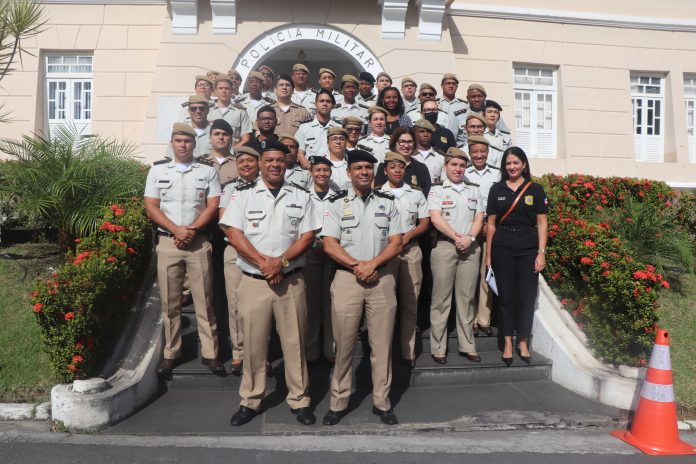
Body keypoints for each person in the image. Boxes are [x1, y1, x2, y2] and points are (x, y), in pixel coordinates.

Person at [220, 141, 320, 427]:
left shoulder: (301, 196)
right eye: (269, 161)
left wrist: (281, 263)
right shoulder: (244, 196)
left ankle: (300, 399)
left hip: (290, 281)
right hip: (254, 281)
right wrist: (265, 263)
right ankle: (250, 399)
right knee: (253, 345)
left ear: (286, 163)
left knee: (295, 343)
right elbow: (234, 234)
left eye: (280, 160)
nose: (275, 165)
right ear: (261, 164)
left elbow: (307, 235)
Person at [321, 149, 403, 426]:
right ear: (349, 172)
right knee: (343, 345)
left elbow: (396, 242)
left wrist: (373, 264)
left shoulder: (388, 202)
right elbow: (329, 244)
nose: (364, 172)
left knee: (382, 345)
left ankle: (382, 402)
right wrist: (358, 266)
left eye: (368, 167)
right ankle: (338, 402)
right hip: (347, 279)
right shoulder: (335, 204)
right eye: (358, 168)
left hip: (382, 278)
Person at [144, 122, 224, 376]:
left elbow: (212, 206)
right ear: (172, 142)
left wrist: (189, 230)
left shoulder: (207, 171)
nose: (183, 145)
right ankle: (171, 352)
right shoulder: (157, 172)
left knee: (205, 301)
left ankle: (210, 353)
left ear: (194, 144)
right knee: (170, 303)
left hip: (198, 243)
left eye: (187, 141)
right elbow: (152, 206)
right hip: (168, 243)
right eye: (178, 141)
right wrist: (176, 230)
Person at [485, 146, 548, 366]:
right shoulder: (496, 189)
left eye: (516, 162)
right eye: (508, 163)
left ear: (523, 164)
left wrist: (541, 253)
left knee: (527, 297)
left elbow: (542, 223)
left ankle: (522, 340)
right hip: (503, 246)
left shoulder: (536, 189)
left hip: (528, 248)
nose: (512, 167)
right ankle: (507, 342)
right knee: (506, 298)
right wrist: (488, 255)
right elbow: (490, 225)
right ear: (504, 166)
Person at [427, 147, 484, 365]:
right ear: (446, 167)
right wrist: (457, 236)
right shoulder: (437, 190)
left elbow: (479, 217)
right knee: (440, 298)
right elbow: (435, 218)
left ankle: (468, 344)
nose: (458, 169)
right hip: (445, 247)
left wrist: (469, 237)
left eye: (462, 165)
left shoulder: (473, 189)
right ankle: (438, 347)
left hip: (470, 247)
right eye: (454, 165)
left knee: (467, 298)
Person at [378, 151, 430, 367]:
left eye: (401, 166)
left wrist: (408, 235)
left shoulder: (416, 194)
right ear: (385, 170)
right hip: (385, 254)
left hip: (410, 251)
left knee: (410, 302)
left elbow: (424, 222)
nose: (397, 170)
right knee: (384, 305)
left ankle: (408, 350)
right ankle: (383, 349)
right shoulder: (377, 194)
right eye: (393, 166)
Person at [218, 145, 261, 374]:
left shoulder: (265, 187)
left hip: (261, 251)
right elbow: (224, 221)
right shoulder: (229, 189)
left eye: (250, 161)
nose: (245, 165)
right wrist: (242, 244)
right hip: (235, 249)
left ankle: (260, 355)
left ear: (258, 163)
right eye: (241, 161)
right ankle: (239, 353)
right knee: (235, 303)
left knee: (260, 305)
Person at [302, 155, 341, 365]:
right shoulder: (304, 196)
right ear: (311, 173)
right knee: (311, 303)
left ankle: (330, 349)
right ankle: (311, 350)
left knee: (330, 303)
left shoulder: (337, 196)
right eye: (318, 170)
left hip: (332, 253)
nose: (322, 174)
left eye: (326, 170)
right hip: (309, 252)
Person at [464, 136, 501, 337]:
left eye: (482, 151)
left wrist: (489, 224)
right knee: (468, 276)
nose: (479, 155)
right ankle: (469, 319)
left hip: (489, 227)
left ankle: (484, 318)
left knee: (486, 274)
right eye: (475, 152)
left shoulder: (496, 174)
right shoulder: (464, 173)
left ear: (488, 152)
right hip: (468, 228)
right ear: (470, 153)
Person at [374, 126, 432, 195]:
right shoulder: (383, 166)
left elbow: (426, 195)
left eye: (410, 142)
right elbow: (378, 194)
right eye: (402, 142)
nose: (406, 146)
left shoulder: (421, 168)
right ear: (395, 143)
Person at [295, 89, 340, 168]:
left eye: (328, 101)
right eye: (322, 101)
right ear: (316, 104)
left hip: (334, 172)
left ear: (332, 105)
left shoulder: (339, 128)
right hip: (311, 173)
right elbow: (299, 152)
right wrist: (310, 169)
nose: (325, 104)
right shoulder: (304, 127)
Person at [208, 77, 253, 149]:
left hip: (231, 156)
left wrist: (232, 151)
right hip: (210, 155)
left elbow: (246, 139)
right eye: (220, 88)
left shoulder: (240, 112)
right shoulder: (207, 112)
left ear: (231, 91)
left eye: (227, 88)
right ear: (215, 91)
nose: (224, 91)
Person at [199, 119, 238, 185]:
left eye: (225, 134)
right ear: (210, 139)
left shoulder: (239, 164)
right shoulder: (200, 163)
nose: (221, 137)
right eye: (217, 134)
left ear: (231, 139)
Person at [412, 118, 445, 183]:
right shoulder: (409, 156)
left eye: (429, 131)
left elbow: (443, 183)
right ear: (415, 133)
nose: (426, 134)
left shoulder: (441, 158)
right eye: (422, 131)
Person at [482, 100, 512, 168]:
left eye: (496, 112)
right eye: (489, 112)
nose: (493, 115)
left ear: (498, 117)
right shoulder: (479, 135)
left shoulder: (505, 136)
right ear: (483, 114)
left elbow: (511, 156)